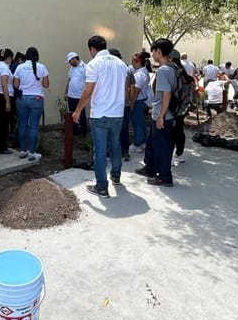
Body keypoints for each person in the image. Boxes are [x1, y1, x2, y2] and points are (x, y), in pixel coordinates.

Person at [71, 35, 127, 198]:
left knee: (100, 149)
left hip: (100, 114)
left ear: (92, 49)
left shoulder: (94, 64)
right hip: (117, 113)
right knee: (115, 145)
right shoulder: (121, 64)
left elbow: (88, 90)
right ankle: (116, 175)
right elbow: (123, 88)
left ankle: (102, 186)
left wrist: (78, 110)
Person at [135, 38, 176, 186]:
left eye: (153, 51)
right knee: (152, 144)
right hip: (160, 113)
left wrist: (161, 116)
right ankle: (150, 168)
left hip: (162, 115)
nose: (152, 54)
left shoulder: (164, 70)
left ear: (158, 51)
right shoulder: (171, 68)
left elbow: (167, 94)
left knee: (162, 147)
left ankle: (164, 177)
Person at [13, 47, 49, 161]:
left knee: (23, 125)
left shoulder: (20, 67)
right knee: (33, 126)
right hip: (36, 98)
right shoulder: (42, 67)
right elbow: (46, 84)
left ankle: (23, 150)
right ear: (37, 56)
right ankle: (32, 152)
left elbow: (15, 85)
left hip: (22, 98)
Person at [130, 52, 152, 152]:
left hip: (138, 100)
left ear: (137, 62)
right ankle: (143, 141)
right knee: (141, 122)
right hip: (142, 99)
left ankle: (137, 143)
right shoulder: (144, 72)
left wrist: (132, 102)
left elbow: (136, 90)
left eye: (132, 61)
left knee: (137, 122)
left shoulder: (139, 74)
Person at [65, 52, 88, 136]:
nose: (70, 63)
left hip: (80, 96)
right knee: (72, 114)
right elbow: (69, 80)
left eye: (70, 61)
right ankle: (74, 131)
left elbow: (88, 82)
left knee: (81, 114)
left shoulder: (85, 67)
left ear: (75, 58)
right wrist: (66, 92)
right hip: (71, 95)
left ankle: (83, 132)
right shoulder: (71, 69)